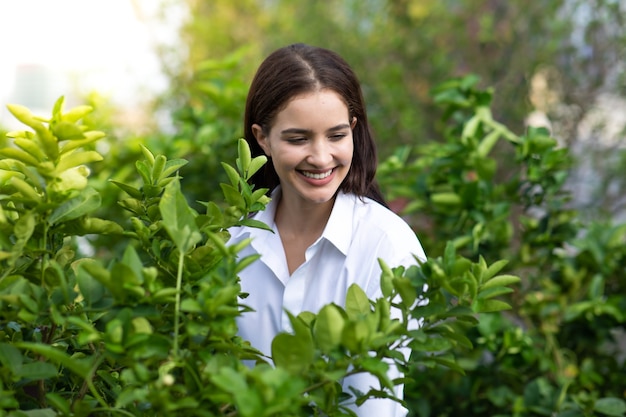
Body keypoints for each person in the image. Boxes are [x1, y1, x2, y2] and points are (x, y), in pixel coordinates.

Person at [228, 43, 426, 417]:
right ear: (262, 138)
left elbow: (373, 407)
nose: (321, 158)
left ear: (353, 130)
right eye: (298, 139)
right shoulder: (233, 244)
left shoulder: (388, 249)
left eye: (336, 136)